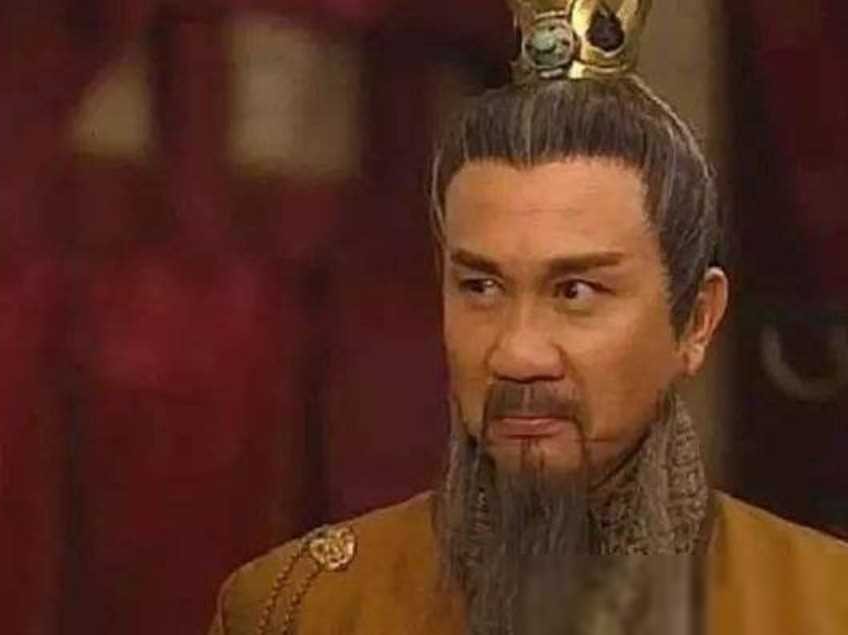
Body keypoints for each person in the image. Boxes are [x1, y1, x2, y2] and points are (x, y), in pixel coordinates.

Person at [208, 1, 848, 633]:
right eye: (481, 287)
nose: (517, 354)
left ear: (697, 320)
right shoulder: (299, 609)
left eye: (575, 292)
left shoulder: (824, 605)